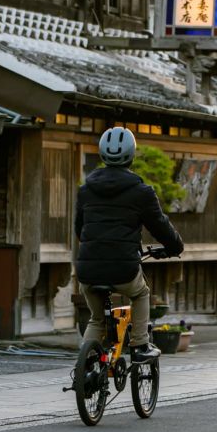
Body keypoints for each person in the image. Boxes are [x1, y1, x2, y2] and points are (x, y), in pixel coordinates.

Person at [75, 127, 184, 362]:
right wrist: (175, 247)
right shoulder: (141, 192)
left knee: (97, 320)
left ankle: (84, 368)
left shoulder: (85, 190)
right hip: (123, 268)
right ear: (132, 156)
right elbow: (160, 226)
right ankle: (139, 345)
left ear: (102, 155)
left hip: (88, 269)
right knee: (141, 293)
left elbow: (79, 229)